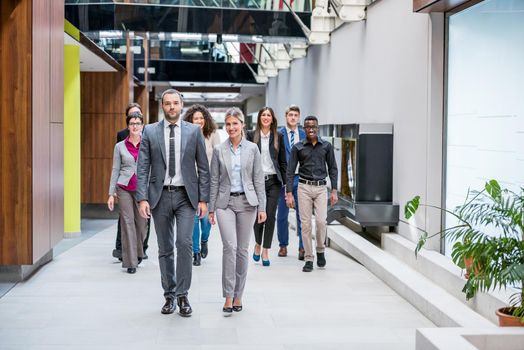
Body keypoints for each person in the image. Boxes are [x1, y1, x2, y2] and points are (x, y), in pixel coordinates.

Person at [136, 89, 210, 317]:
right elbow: (142, 167)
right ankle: (169, 295)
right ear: (162, 106)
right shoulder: (149, 131)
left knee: (185, 244)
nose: (171, 107)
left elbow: (204, 168)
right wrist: (142, 198)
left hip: (186, 196)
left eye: (175, 103)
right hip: (159, 196)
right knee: (165, 248)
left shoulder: (193, 132)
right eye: (167, 103)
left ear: (181, 105)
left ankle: (183, 295)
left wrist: (204, 199)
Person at [208, 107, 267, 316]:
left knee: (242, 250)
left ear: (242, 125)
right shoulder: (218, 150)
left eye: (235, 123)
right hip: (225, 204)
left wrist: (262, 207)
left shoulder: (252, 149)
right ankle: (228, 296)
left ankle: (239, 294)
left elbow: (259, 179)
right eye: (228, 124)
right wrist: (211, 208)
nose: (231, 127)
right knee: (229, 247)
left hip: (248, 203)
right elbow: (214, 180)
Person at [285, 115, 338, 273]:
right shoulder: (298, 147)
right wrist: (289, 193)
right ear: (304, 129)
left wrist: (334, 190)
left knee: (321, 222)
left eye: (314, 127)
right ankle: (308, 258)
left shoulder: (327, 146)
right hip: (304, 187)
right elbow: (289, 171)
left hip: (321, 188)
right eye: (308, 127)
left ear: (318, 128)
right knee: (305, 225)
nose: (311, 129)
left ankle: (320, 250)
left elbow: (333, 169)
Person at [107, 111, 148, 274]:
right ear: (128, 126)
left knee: (141, 224)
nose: (135, 126)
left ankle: (138, 251)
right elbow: (115, 169)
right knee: (127, 222)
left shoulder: (148, 144)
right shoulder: (119, 146)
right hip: (123, 188)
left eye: (138, 123)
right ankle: (130, 262)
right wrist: (111, 193)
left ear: (142, 126)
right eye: (132, 123)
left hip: (142, 190)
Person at [246, 107, 287, 267]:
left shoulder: (279, 136)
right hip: (256, 182)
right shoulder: (251, 135)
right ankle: (257, 243)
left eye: (268, 115)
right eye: (263, 114)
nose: (266, 117)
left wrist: (286, 184)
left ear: (272, 118)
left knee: (270, 215)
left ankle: (265, 250)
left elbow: (283, 162)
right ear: (259, 118)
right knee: (258, 216)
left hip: (273, 182)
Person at [183, 104, 221, 266]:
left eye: (201, 118)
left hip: (209, 182)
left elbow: (218, 158)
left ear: (205, 120)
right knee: (193, 219)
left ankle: (204, 239)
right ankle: (196, 252)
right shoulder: (185, 136)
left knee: (205, 219)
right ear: (190, 120)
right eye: (195, 118)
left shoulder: (212, 134)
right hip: (191, 182)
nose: (198, 121)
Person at [276, 105, 306, 259]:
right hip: (283, 181)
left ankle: (302, 248)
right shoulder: (279, 134)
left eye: (295, 115)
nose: (293, 117)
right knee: (282, 215)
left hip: (300, 179)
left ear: (299, 117)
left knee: (302, 215)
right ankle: (283, 245)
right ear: (286, 117)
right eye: (290, 115)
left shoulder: (304, 134)